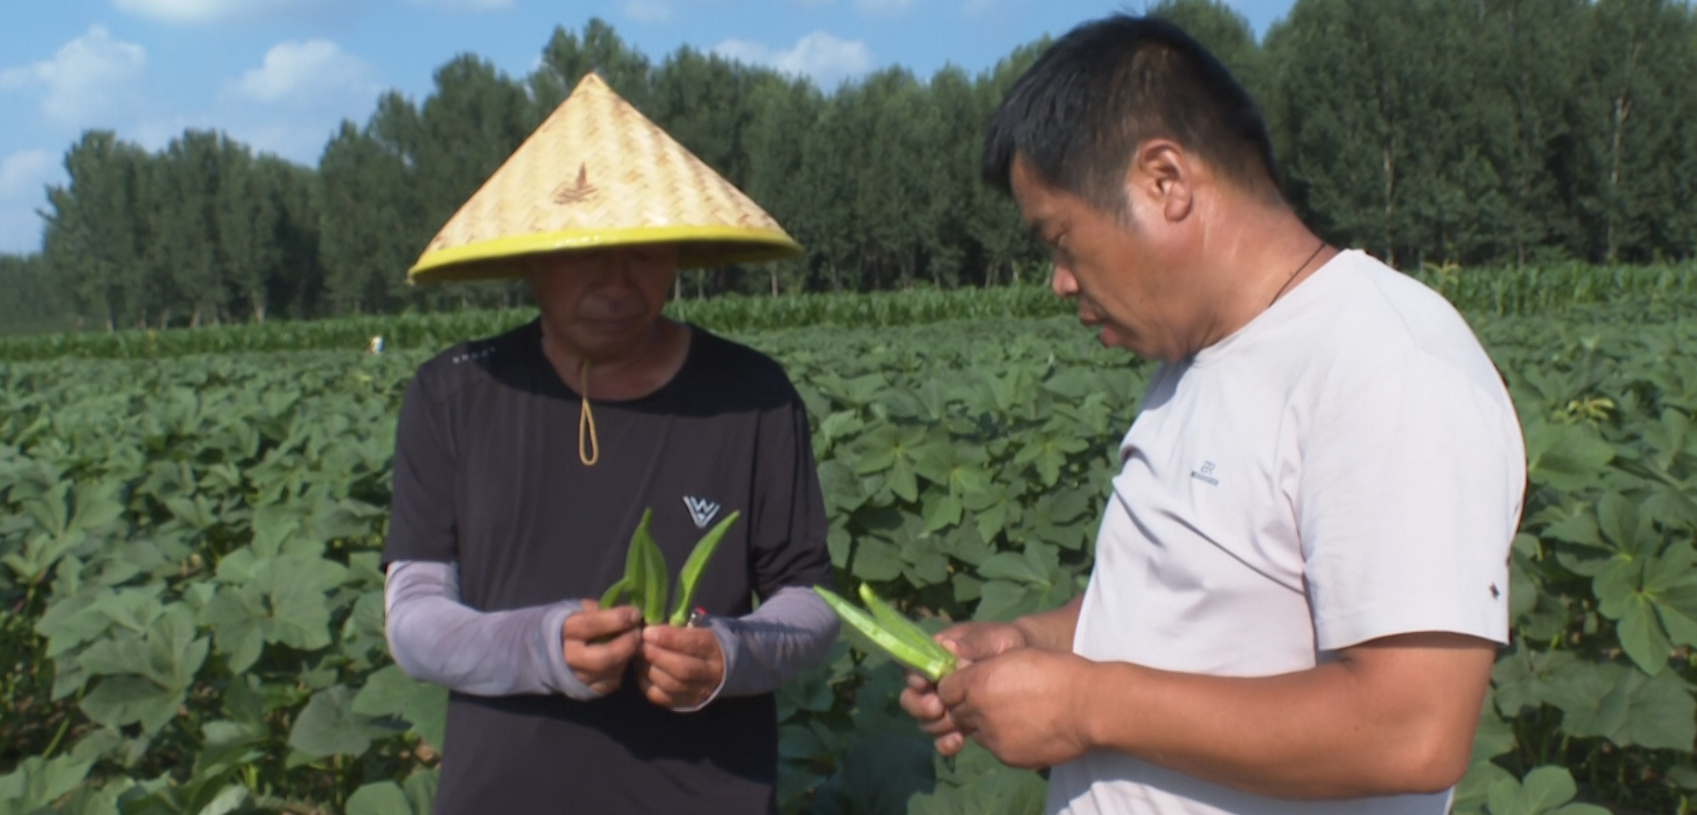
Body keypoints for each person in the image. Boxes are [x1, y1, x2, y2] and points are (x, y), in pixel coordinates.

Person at [899, 15, 1525, 815]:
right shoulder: (1190, 362)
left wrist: (1085, 701)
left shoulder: (1384, 362)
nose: (1057, 281)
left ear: (1165, 180)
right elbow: (1185, 609)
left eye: (1059, 239)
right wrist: (1027, 641)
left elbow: (1410, 726)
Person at [381, 73, 838, 814]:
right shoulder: (453, 394)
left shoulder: (752, 394)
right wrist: (541, 645)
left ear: (678, 254)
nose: (617, 281)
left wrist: (728, 655)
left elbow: (810, 604)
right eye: (583, 251)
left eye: (645, 252)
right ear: (529, 255)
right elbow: (414, 618)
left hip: (702, 792)